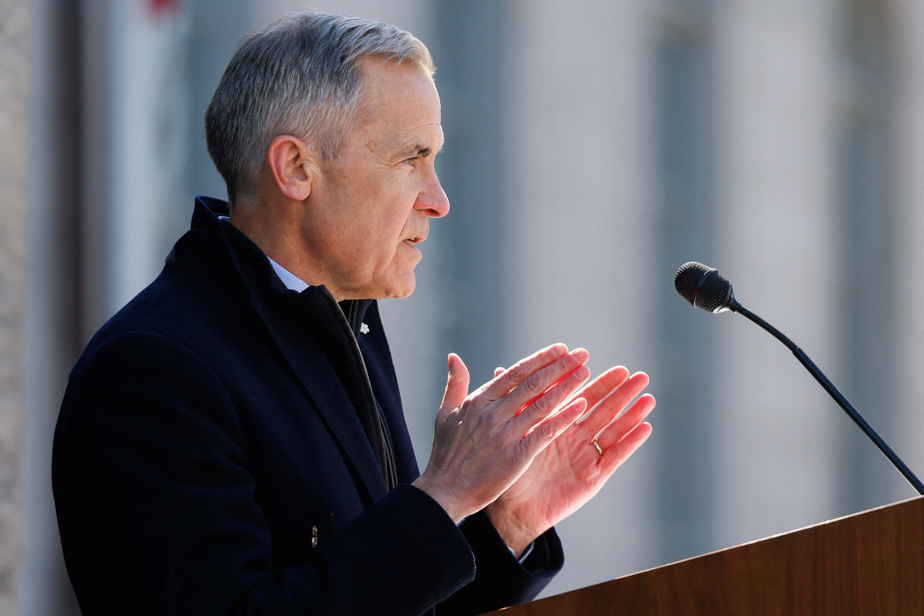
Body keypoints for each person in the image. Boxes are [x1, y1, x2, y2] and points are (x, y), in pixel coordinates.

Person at [51, 12, 655, 616]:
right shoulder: (155, 368)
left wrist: (503, 525)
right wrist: (443, 496)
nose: (439, 200)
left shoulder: (342, 323)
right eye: (411, 158)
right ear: (296, 168)